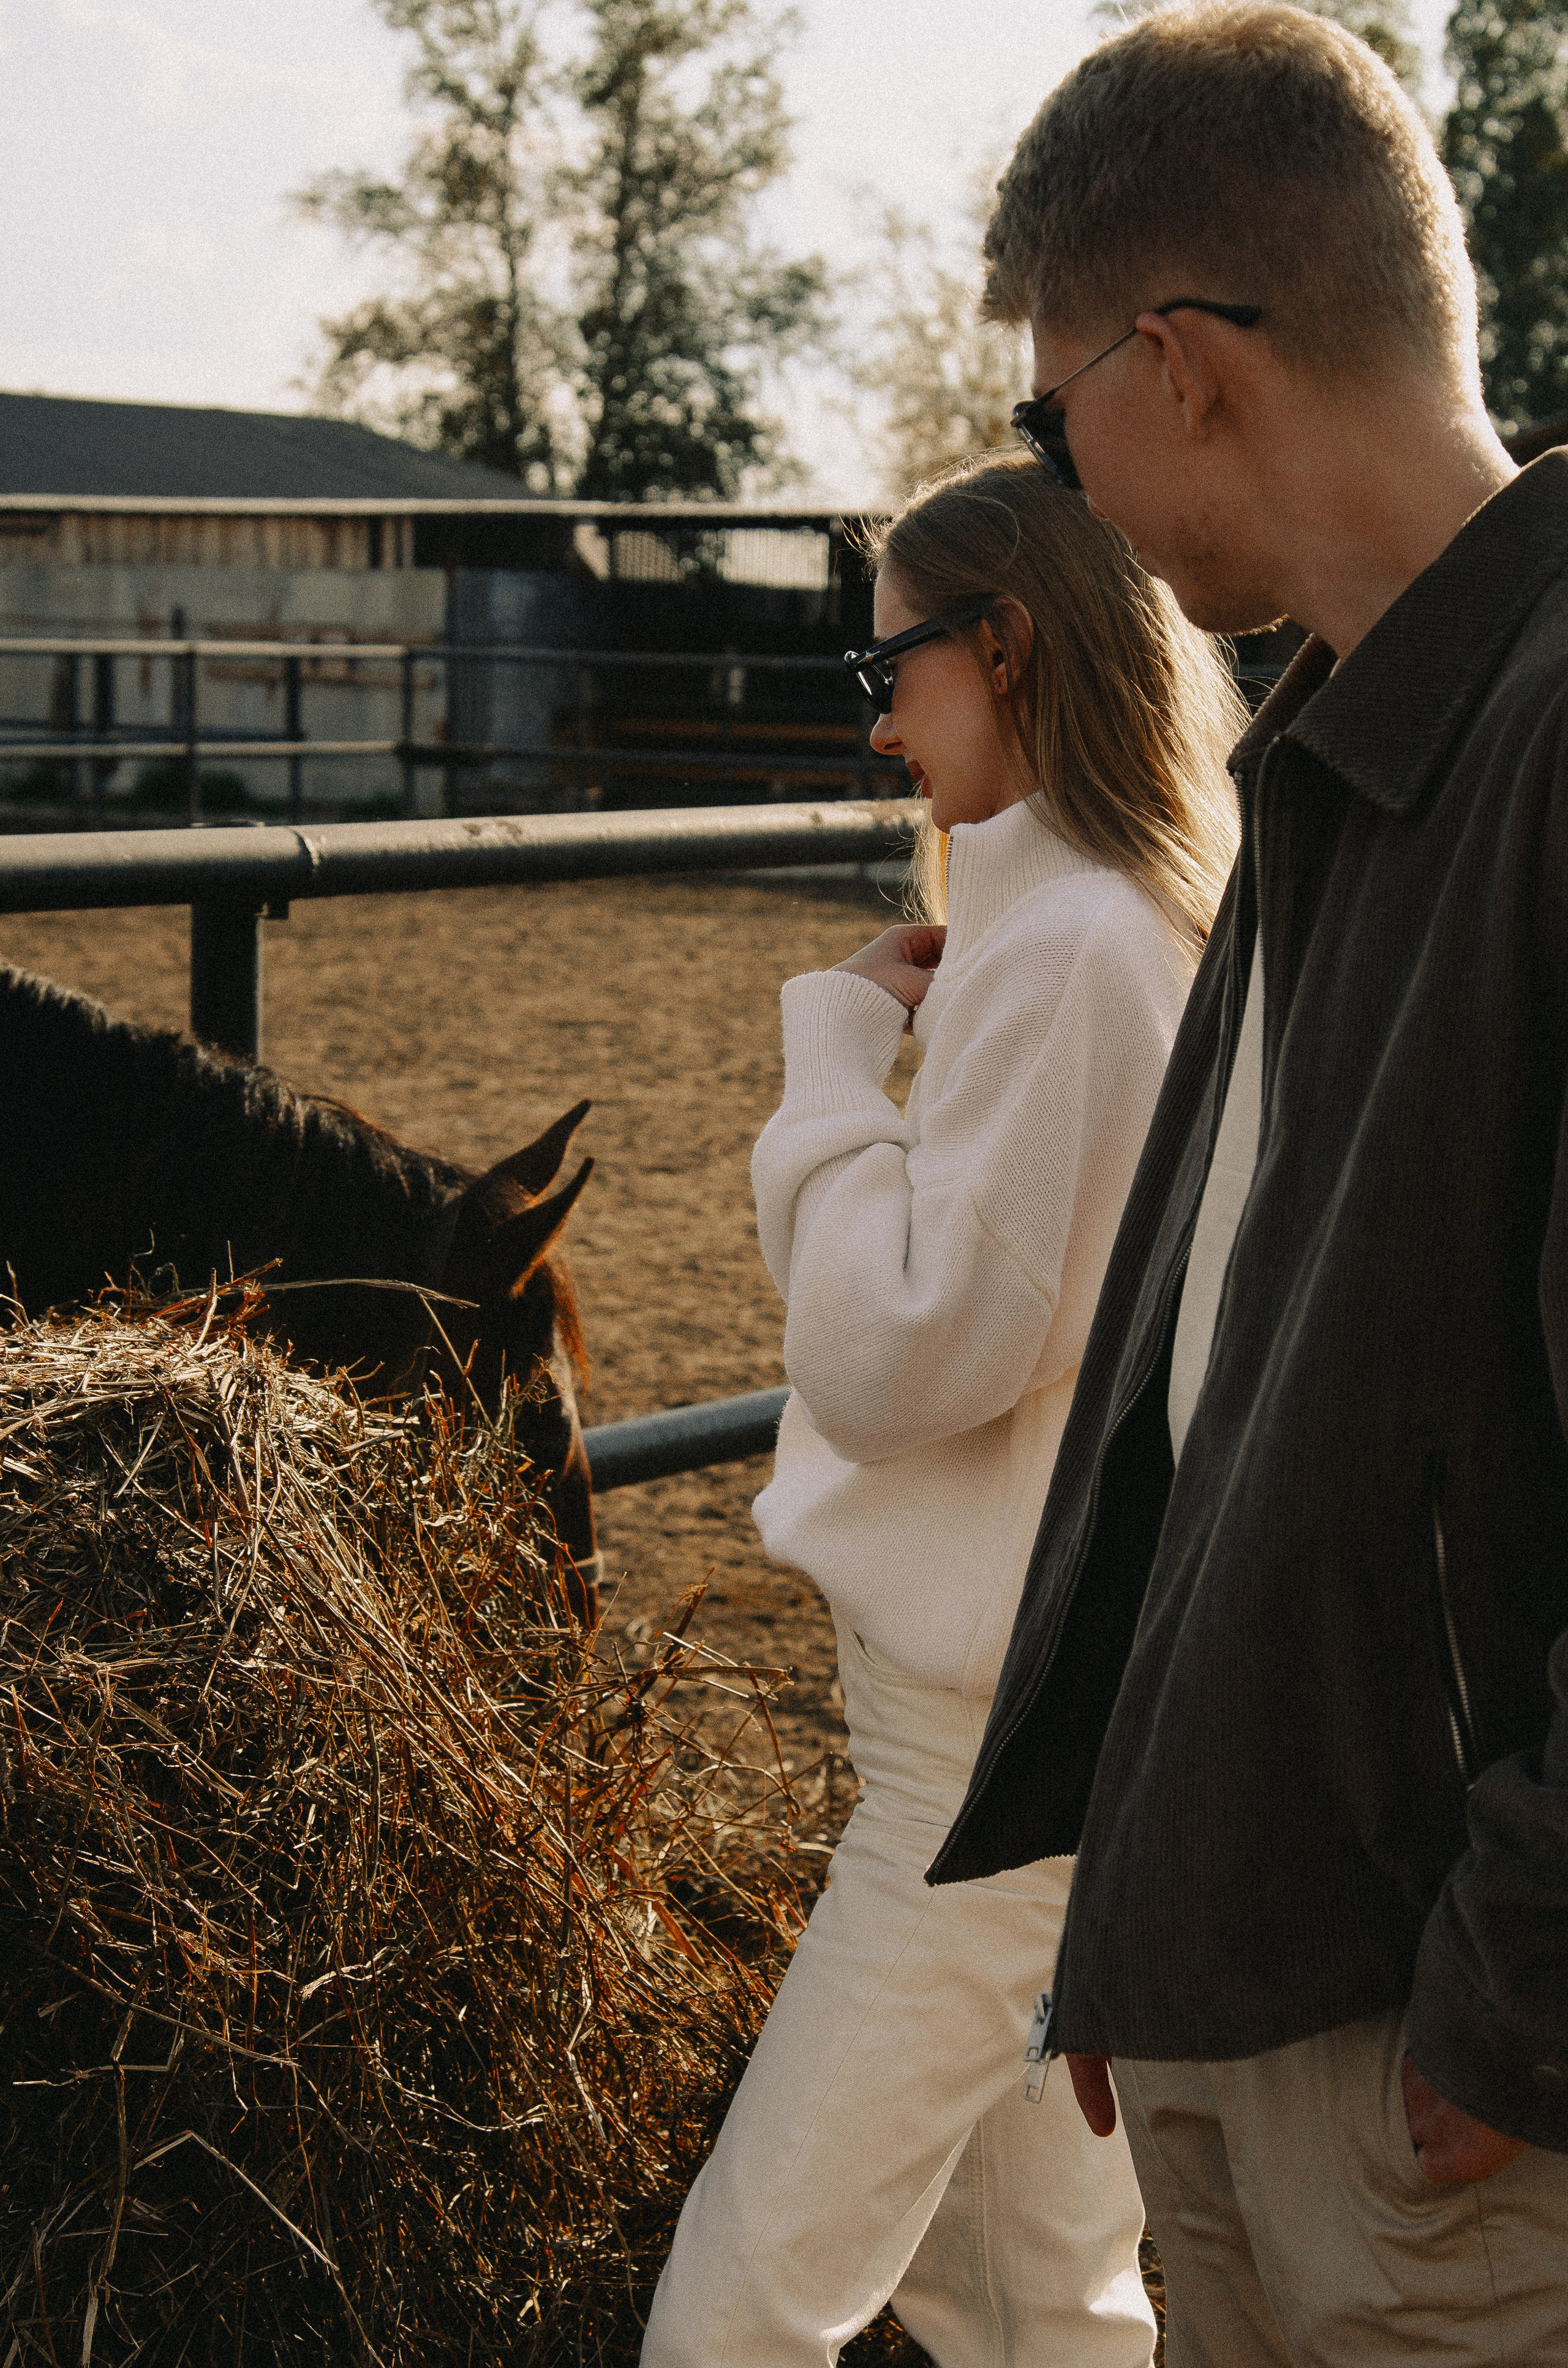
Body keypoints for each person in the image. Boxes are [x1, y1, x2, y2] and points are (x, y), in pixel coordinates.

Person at [927, 8, 1568, 2364]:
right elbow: (1247, 1388)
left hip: (1439, 2095)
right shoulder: (1341, 730)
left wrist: (1518, 2000)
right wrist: (1151, 1902)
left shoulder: (1544, 734)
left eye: (1047, 409)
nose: (1057, 475)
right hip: (1259, 2016)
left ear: (1177, 363)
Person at [639, 450, 1243, 2366]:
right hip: (1040, 1736)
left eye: (891, 662)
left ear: (1007, 642)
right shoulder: (1105, 921)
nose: (880, 716)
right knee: (1038, 2310)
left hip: (980, 1768)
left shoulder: (1070, 952)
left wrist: (828, 1062)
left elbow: (898, 1351)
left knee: (732, 2318)